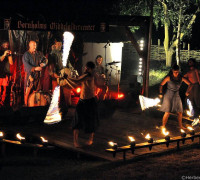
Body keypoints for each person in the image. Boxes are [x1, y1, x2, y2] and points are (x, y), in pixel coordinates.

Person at [58, 61, 99, 148]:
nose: (85, 69)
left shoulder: (89, 75)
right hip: (82, 101)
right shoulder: (85, 75)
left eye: (87, 68)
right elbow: (75, 85)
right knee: (77, 121)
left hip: (90, 101)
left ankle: (90, 139)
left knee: (92, 121)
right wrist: (66, 79)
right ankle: (75, 142)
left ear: (91, 69)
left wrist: (67, 77)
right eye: (85, 67)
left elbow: (77, 80)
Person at [159, 64, 192, 129]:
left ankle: (181, 126)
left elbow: (190, 84)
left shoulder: (181, 78)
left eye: (177, 72)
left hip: (176, 94)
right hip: (169, 94)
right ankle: (163, 126)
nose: (176, 73)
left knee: (180, 112)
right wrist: (160, 93)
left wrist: (187, 91)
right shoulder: (168, 77)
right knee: (167, 111)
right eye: (175, 72)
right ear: (172, 71)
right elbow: (161, 85)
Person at [22, 40, 47, 106]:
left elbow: (45, 59)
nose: (35, 47)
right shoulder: (26, 55)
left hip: (37, 75)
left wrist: (43, 64)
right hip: (30, 75)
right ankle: (26, 105)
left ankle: (34, 105)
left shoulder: (38, 54)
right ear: (30, 46)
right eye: (33, 45)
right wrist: (35, 68)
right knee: (28, 91)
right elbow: (26, 65)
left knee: (37, 91)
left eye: (35, 45)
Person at [0, 41, 13, 106]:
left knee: (4, 90)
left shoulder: (7, 53)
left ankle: (2, 103)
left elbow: (11, 63)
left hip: (5, 74)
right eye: (5, 44)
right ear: (2, 45)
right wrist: (4, 54)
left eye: (7, 45)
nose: (6, 46)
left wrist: (10, 55)